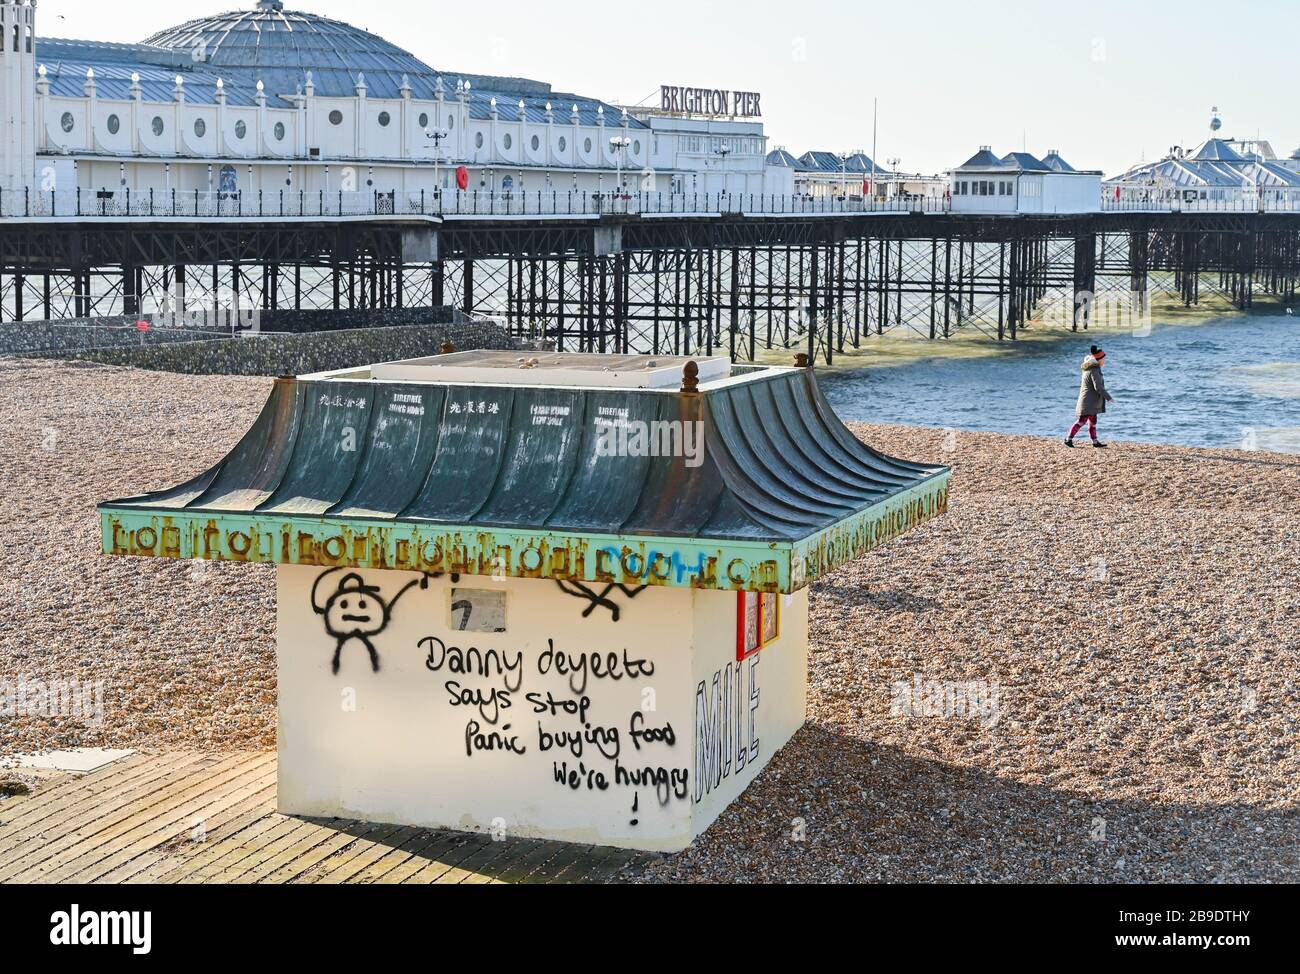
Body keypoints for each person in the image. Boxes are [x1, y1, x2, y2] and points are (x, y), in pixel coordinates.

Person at [1065, 345, 1114, 448]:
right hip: (1088, 402)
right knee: (1082, 421)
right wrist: (1108, 397)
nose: (1105, 360)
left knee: (1092, 421)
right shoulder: (1094, 370)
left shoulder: (1090, 368)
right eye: (1103, 358)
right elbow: (1098, 387)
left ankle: (1095, 442)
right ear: (1098, 359)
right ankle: (1068, 439)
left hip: (1091, 401)